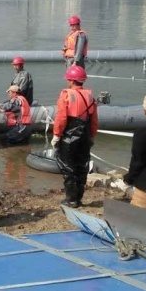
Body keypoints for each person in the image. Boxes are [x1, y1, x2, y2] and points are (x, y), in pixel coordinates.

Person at [52, 65, 98, 208]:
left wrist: (56, 135)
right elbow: (94, 119)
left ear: (71, 80)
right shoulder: (90, 96)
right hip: (85, 134)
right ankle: (78, 197)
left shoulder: (66, 95)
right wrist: (92, 135)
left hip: (70, 134)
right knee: (81, 166)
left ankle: (71, 199)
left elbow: (61, 118)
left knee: (67, 166)